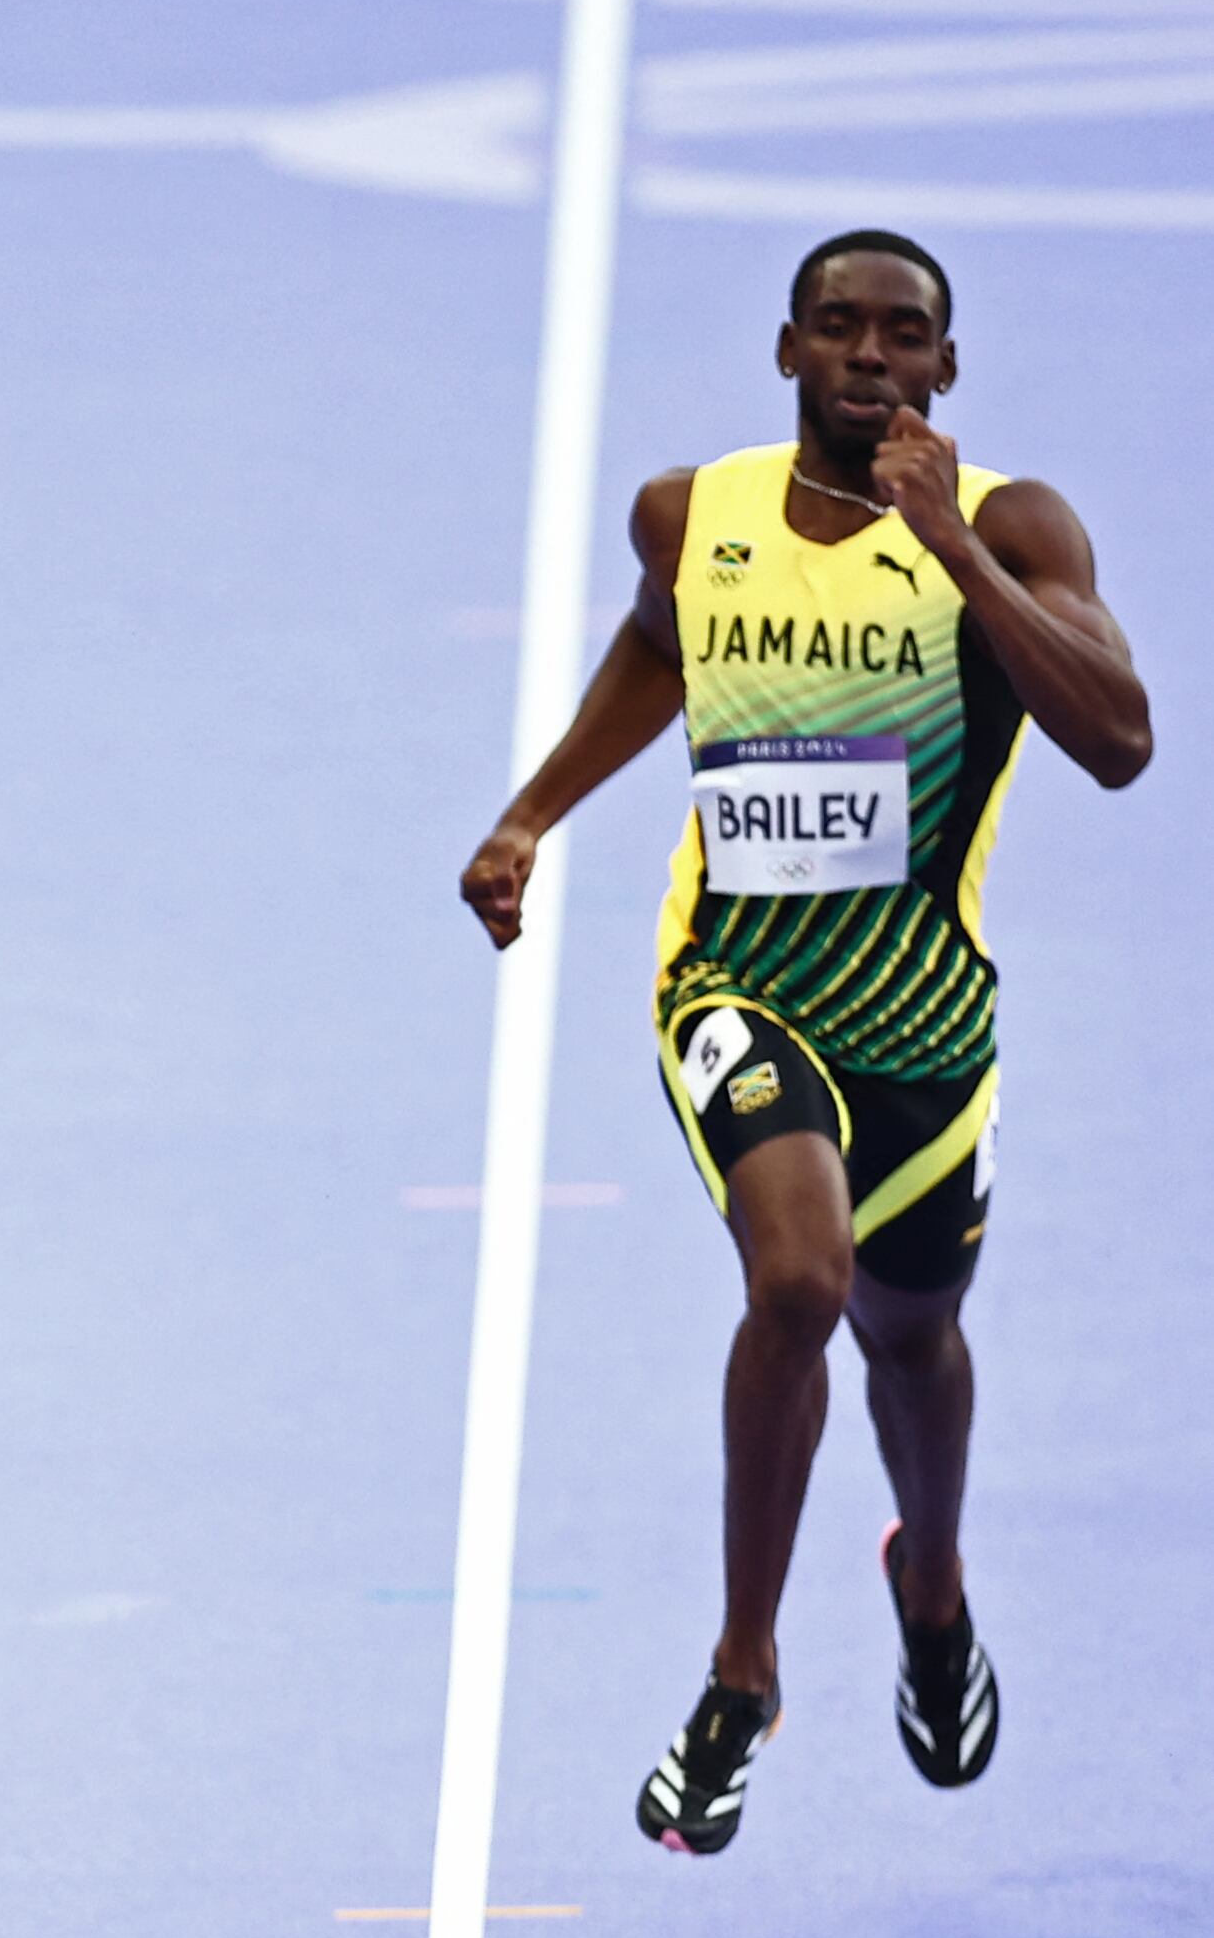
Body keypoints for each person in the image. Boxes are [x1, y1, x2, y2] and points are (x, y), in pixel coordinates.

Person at [460, 232, 1151, 1855]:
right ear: (787, 352)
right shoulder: (693, 516)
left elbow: (1119, 740)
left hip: (923, 1012)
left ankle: (932, 1586)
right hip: (738, 984)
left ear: (946, 371)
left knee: (915, 1342)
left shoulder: (1014, 529)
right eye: (837, 329)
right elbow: (656, 645)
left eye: (904, 335)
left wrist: (956, 555)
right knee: (800, 1281)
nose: (870, 356)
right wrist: (532, 815)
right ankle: (744, 1668)